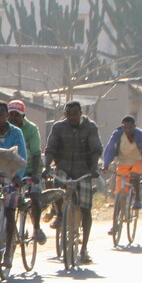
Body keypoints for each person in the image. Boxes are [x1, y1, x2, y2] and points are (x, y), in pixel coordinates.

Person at [42, 101, 102, 264]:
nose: (72, 117)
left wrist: (94, 168)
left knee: (86, 208)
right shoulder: (58, 127)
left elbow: (96, 149)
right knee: (56, 188)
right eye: (69, 114)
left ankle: (84, 249)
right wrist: (46, 167)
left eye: (75, 114)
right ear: (65, 115)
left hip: (84, 171)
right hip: (64, 168)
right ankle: (60, 215)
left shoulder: (90, 127)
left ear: (81, 113)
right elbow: (50, 148)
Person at [0, 100, 27, 267]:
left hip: (11, 174)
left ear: (7, 115)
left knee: (10, 212)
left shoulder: (16, 133)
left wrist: (18, 176)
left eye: (1, 114)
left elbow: (22, 157)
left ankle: (9, 251)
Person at [101, 115, 142, 234]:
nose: (127, 130)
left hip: (138, 162)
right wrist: (106, 165)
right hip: (123, 162)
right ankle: (116, 224)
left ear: (134, 127)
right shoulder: (117, 134)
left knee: (134, 175)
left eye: (130, 128)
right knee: (120, 193)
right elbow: (110, 148)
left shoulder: (141, 135)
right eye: (125, 127)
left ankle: (137, 199)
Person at [7, 99, 47, 245]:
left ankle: (36, 228)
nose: (13, 118)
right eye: (10, 114)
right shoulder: (4, 128)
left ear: (23, 116)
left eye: (16, 115)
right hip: (11, 170)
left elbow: (36, 153)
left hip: (30, 168)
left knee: (35, 195)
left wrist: (35, 175)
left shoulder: (31, 129)